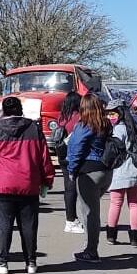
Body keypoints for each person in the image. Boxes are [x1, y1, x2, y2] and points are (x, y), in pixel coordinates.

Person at [0, 96, 54, 274]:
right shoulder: (34, 129)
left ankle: (2, 261)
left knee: (3, 225)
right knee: (29, 226)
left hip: (2, 185)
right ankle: (31, 262)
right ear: (20, 110)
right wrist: (47, 180)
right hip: (28, 184)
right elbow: (44, 158)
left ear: (3, 111)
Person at [67, 93, 113, 264]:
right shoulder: (105, 123)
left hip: (88, 172)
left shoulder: (85, 125)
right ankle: (90, 247)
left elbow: (76, 147)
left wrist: (72, 170)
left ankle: (91, 250)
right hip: (106, 171)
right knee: (92, 210)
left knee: (89, 213)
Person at [105, 102, 137, 246]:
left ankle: (111, 235)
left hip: (120, 171)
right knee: (134, 204)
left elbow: (113, 150)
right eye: (108, 114)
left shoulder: (118, 129)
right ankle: (135, 238)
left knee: (115, 203)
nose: (110, 117)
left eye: (112, 114)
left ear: (120, 113)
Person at [55, 91, 83, 234]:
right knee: (75, 188)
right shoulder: (78, 118)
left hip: (62, 153)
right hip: (74, 154)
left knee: (68, 187)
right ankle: (72, 220)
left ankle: (70, 218)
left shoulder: (62, 117)